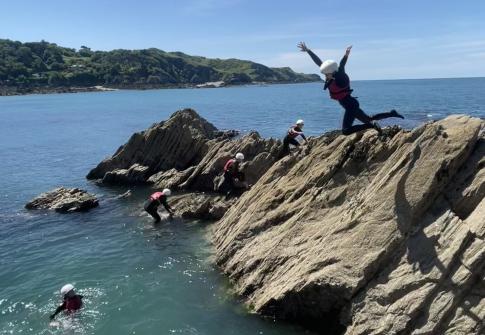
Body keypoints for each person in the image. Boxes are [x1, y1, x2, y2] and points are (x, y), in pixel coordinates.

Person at [297, 42, 404, 135]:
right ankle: (392, 113)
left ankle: (371, 126)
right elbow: (319, 62)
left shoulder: (340, 78)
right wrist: (308, 50)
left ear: (332, 71)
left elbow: (342, 66)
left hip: (350, 105)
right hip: (350, 103)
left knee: (346, 130)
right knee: (369, 118)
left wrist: (346, 55)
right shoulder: (331, 74)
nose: (325, 75)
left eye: (326, 73)